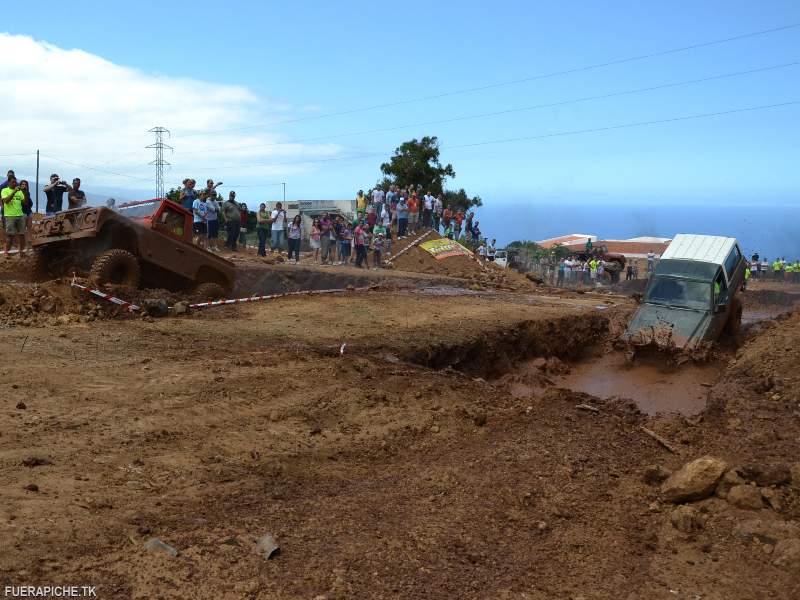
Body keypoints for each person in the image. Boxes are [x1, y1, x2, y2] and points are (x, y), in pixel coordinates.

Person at [2, 176, 27, 258]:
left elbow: (25, 203)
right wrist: (14, 192)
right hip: (10, 216)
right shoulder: (5, 190)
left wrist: (24, 191)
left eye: (15, 182)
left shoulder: (19, 192)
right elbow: (6, 201)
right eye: (13, 182)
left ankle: (21, 251)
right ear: (9, 182)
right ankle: (6, 252)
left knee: (22, 235)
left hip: (20, 215)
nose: (15, 183)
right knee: (10, 235)